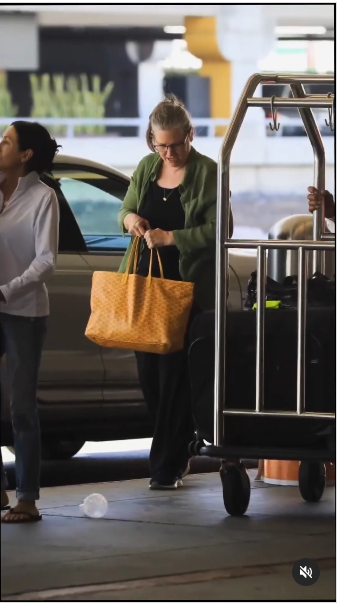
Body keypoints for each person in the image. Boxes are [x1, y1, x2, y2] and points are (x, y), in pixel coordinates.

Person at [118, 95, 233, 490]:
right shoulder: (147, 167)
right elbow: (125, 210)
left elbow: (222, 230)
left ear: (190, 135)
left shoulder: (208, 172)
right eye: (160, 145)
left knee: (174, 379)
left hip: (186, 291)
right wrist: (132, 218)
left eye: (176, 144)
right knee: (150, 378)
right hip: (146, 289)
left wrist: (173, 237)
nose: (168, 153)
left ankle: (164, 467)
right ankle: (181, 444)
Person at [0, 122, 60, 523]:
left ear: (25, 155)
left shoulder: (43, 198)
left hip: (22, 312)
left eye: (5, 140)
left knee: (21, 406)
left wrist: (7, 291)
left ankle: (27, 498)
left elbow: (46, 260)